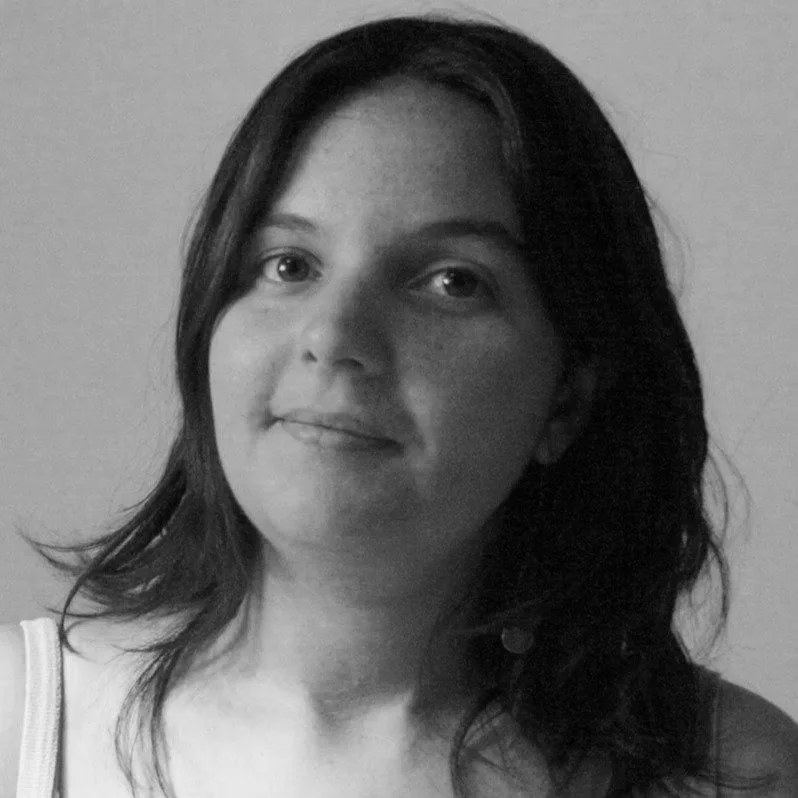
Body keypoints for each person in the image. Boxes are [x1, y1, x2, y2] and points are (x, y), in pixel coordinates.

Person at [1, 11, 797, 798]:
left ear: (568, 398)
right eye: (288, 264)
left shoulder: (736, 776)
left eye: (451, 281)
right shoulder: (17, 724)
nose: (333, 334)